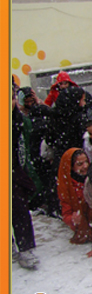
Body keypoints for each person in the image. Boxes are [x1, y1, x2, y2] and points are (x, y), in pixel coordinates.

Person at [12, 93, 39, 269]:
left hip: (16, 171)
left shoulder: (18, 120)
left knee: (20, 209)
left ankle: (26, 248)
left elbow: (24, 148)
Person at [57, 148, 92, 244]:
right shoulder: (67, 187)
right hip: (84, 227)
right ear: (71, 167)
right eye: (80, 164)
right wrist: (72, 219)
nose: (85, 166)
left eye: (86, 162)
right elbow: (66, 213)